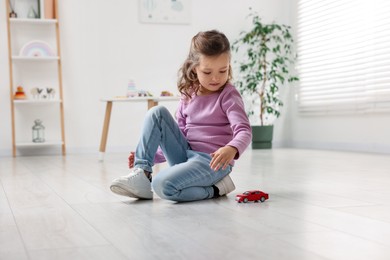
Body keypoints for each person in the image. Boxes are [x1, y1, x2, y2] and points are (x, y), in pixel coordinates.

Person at [110, 30, 252, 202]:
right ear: (194, 68)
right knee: (157, 113)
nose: (216, 78)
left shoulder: (229, 95)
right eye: (207, 72)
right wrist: (153, 157)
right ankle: (142, 173)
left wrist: (232, 148)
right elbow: (181, 136)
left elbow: (244, 130)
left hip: (213, 162)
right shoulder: (189, 94)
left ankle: (216, 189)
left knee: (162, 185)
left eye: (223, 71)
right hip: (187, 155)